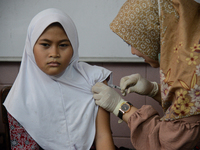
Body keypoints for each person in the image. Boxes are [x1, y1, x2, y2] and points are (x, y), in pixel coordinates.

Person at [92, 0, 200, 149]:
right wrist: (154, 90)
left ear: (156, 32)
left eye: (133, 43)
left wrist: (120, 107)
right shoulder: (190, 58)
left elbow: (168, 143)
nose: (133, 52)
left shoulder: (193, 70)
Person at [3, 8, 116, 150]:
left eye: (63, 45)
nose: (54, 53)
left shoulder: (94, 80)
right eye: (45, 45)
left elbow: (103, 137)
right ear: (30, 47)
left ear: (73, 46)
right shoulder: (19, 100)